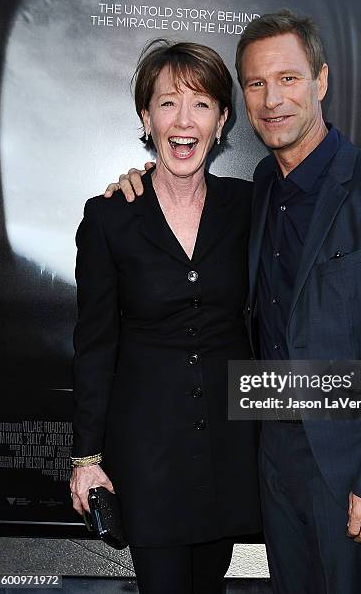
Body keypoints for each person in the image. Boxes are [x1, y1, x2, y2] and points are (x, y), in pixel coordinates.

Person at [106, 11, 361, 594]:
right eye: (256, 83)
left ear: (322, 81)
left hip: (344, 463)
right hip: (266, 453)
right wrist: (137, 182)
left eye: (288, 79)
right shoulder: (258, 188)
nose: (272, 99)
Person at [69, 39, 261, 594]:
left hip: (226, 448)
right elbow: (95, 344)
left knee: (209, 585)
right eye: (168, 103)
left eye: (201, 104)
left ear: (222, 121)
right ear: (146, 117)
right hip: (147, 453)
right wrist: (86, 456)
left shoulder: (248, 206)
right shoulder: (110, 218)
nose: (184, 120)